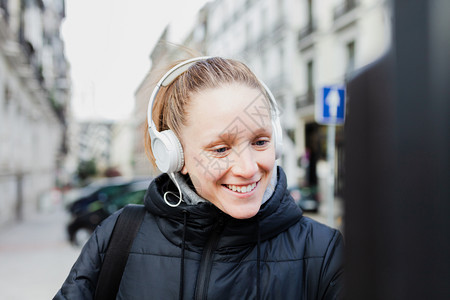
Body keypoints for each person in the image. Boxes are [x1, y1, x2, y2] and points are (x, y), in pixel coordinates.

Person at [54, 57, 344, 299]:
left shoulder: (323, 251)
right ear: (175, 156)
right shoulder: (120, 236)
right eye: (220, 149)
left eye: (260, 142)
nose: (247, 168)